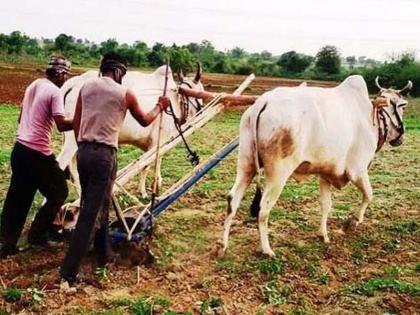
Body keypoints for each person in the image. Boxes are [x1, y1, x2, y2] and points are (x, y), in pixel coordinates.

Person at [60, 53, 171, 283]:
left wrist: (84, 145)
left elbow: (77, 122)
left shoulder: (86, 88)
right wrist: (160, 106)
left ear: (103, 69)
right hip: (104, 156)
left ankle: (104, 252)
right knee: (89, 213)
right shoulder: (125, 93)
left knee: (103, 204)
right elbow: (144, 120)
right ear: (120, 72)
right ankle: (69, 272)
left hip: (84, 153)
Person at [0, 56, 73, 258]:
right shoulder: (55, 91)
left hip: (20, 149)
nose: (66, 79)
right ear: (59, 73)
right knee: (59, 191)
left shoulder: (35, 84)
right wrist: (84, 119)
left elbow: (20, 116)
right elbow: (61, 125)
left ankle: (6, 243)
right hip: (37, 152)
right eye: (65, 74)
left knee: (17, 197)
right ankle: (38, 235)